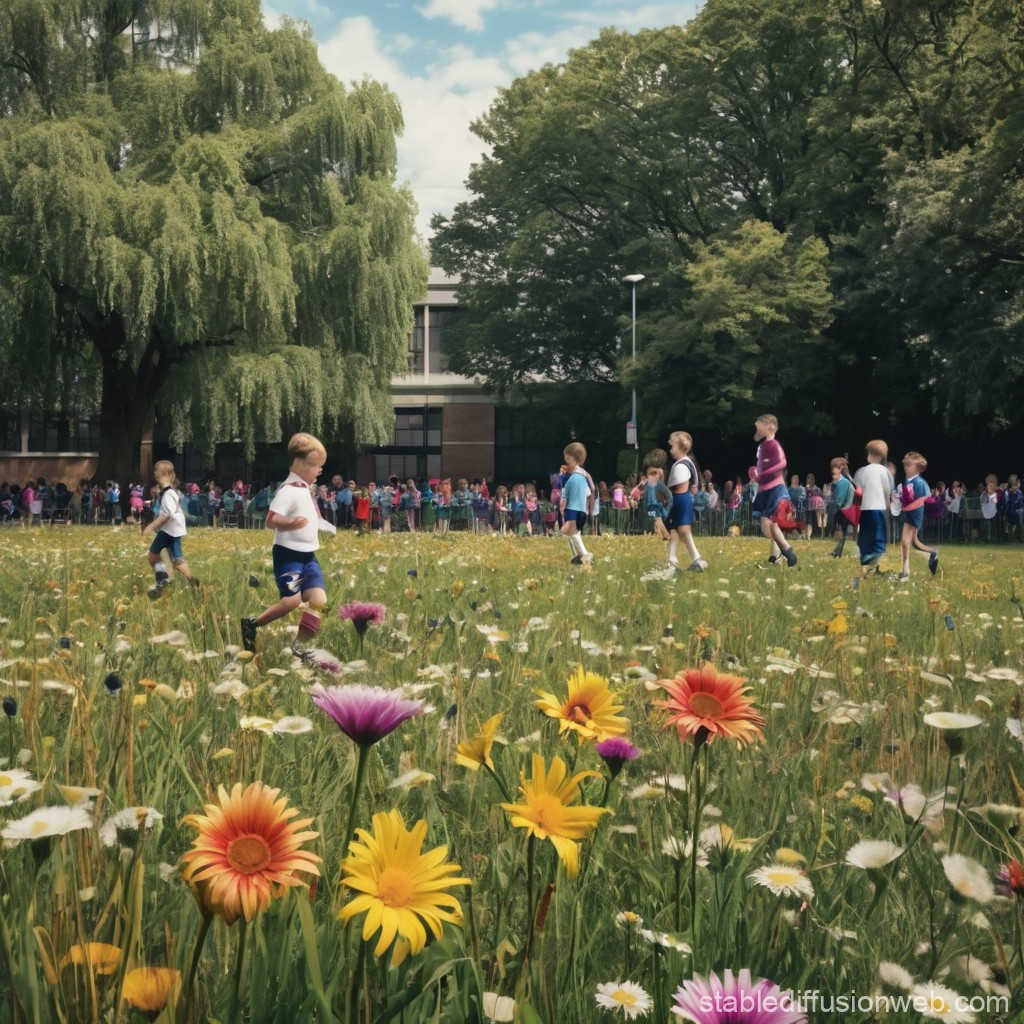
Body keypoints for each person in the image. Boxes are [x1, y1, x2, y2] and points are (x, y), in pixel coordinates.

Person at [241, 433, 336, 660]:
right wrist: (291, 523)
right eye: (316, 467)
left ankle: (299, 647)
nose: (320, 471)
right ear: (301, 465)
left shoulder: (304, 488)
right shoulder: (288, 490)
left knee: (318, 599)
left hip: (308, 556)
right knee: (292, 601)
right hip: (288, 555)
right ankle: (251, 625)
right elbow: (270, 520)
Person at [142, 461, 199, 597]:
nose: (155, 474)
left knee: (152, 556)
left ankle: (162, 579)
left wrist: (151, 526)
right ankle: (192, 581)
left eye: (157, 472)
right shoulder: (169, 493)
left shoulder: (168, 494)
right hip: (174, 531)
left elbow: (166, 514)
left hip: (168, 531)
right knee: (178, 561)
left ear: (165, 474)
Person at [751, 415, 797, 567]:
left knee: (771, 522)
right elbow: (760, 468)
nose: (757, 430)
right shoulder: (762, 447)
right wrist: (756, 476)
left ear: (770, 427)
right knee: (767, 524)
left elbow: (782, 462)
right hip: (765, 489)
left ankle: (786, 551)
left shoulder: (774, 445)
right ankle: (777, 555)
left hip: (776, 488)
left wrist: (766, 473)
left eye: (759, 427)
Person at [665, 431, 707, 572]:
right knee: (675, 530)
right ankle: (672, 560)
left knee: (682, 530)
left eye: (672, 446)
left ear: (681, 447)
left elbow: (676, 486)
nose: (670, 450)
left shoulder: (681, 466)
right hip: (683, 499)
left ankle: (696, 559)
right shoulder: (687, 463)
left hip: (680, 500)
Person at [854, 440, 895, 573]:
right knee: (878, 535)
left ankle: (866, 556)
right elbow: (887, 491)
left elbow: (858, 488)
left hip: (866, 508)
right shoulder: (885, 472)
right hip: (879, 508)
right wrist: (888, 508)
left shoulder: (862, 471)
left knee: (866, 532)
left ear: (871, 456)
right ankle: (873, 563)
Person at [897, 452, 939, 580]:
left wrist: (909, 507)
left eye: (909, 465)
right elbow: (907, 498)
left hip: (915, 514)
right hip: (908, 513)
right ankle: (933, 552)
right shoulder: (906, 482)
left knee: (905, 540)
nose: (905, 467)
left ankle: (905, 570)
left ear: (918, 468)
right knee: (915, 542)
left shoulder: (920, 482)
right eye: (905, 465)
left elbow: (924, 498)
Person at [560, 441, 593, 564]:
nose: (565, 459)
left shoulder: (575, 477)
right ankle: (578, 556)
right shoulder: (582, 475)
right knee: (574, 533)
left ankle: (584, 555)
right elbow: (590, 492)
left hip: (574, 509)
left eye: (567, 458)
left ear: (574, 459)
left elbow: (567, 492)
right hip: (580, 509)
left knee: (573, 533)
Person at [829, 458, 857, 557]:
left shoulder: (843, 483)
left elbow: (839, 502)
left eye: (836, 467)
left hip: (846, 510)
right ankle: (838, 551)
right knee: (843, 532)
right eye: (833, 467)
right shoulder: (836, 482)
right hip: (844, 509)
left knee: (842, 531)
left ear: (840, 469)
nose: (833, 470)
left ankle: (838, 552)